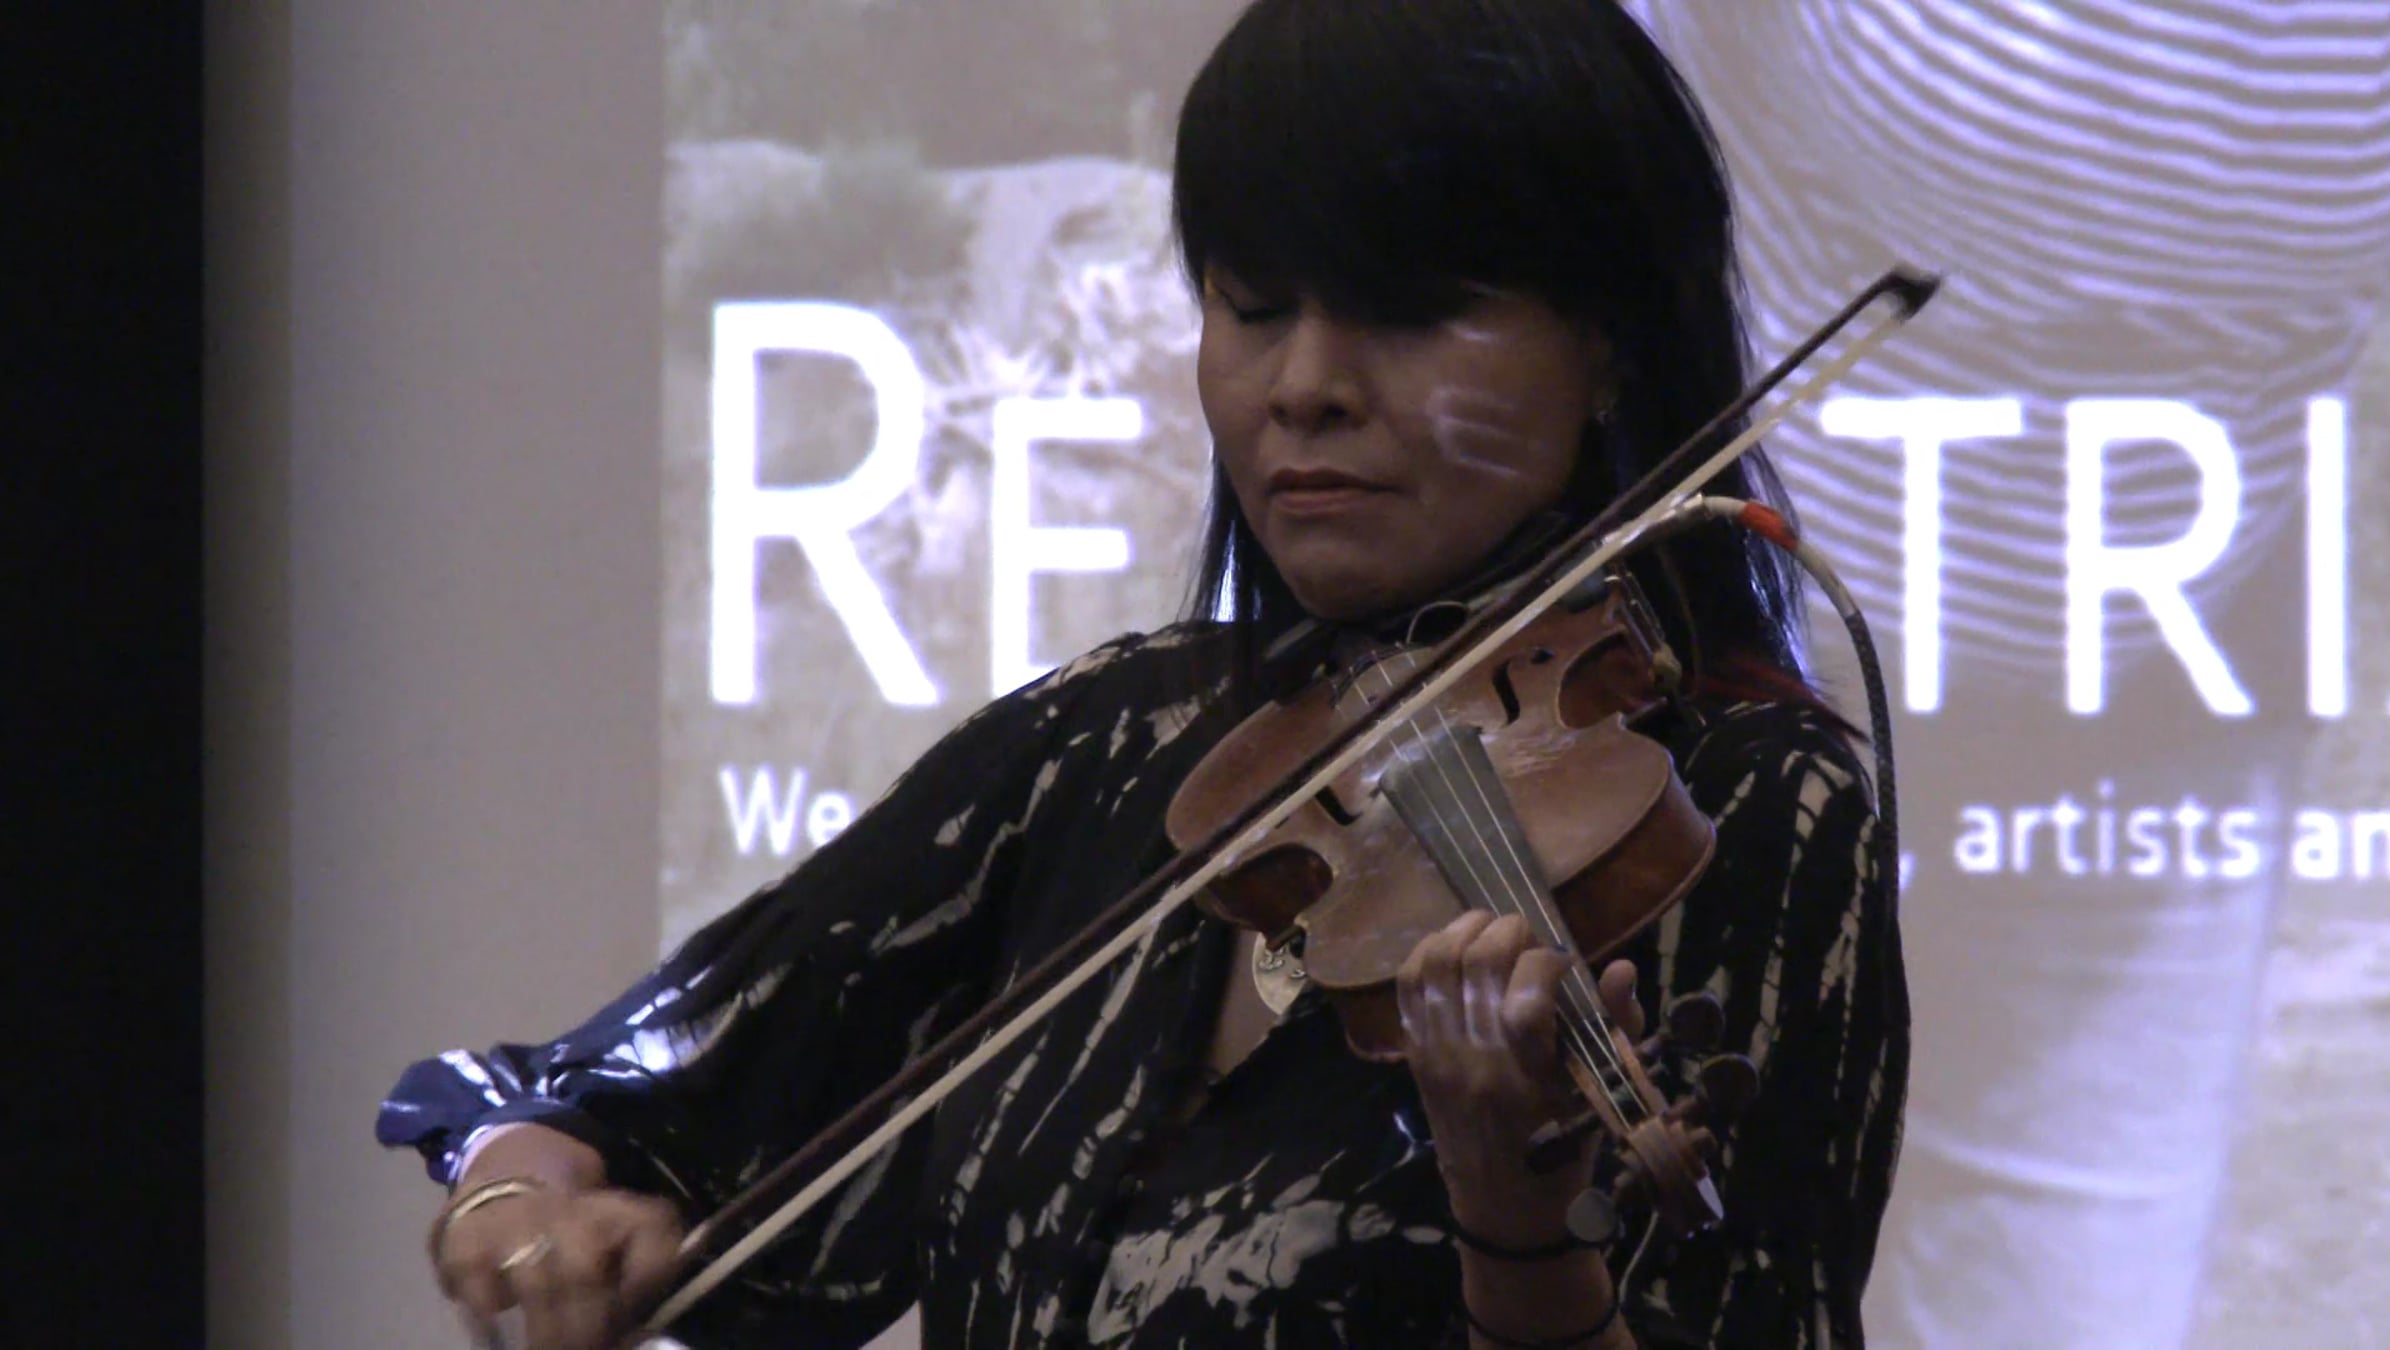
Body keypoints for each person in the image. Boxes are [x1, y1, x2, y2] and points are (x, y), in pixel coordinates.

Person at [378, 1, 1909, 1346]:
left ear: (1611, 343)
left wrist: (1517, 1219)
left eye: (1405, 310)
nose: (1305, 385)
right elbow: (580, 1096)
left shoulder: (1745, 800)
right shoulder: (1113, 747)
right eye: (1255, 307)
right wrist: (528, 1205)